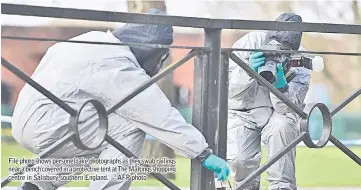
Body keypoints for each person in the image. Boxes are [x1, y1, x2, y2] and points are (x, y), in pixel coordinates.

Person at [12, 9, 229, 190]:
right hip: (49, 126)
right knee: (128, 126)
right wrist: (202, 152)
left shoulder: (89, 40)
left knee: (97, 135)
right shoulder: (118, 65)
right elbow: (157, 114)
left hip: (26, 120)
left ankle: (37, 183)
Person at [227, 13, 311, 190]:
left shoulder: (301, 60)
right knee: (240, 162)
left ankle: (282, 187)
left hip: (277, 113)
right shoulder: (249, 43)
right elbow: (229, 91)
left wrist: (281, 87)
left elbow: (290, 108)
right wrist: (247, 71)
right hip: (243, 112)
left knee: (283, 126)